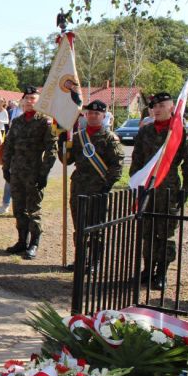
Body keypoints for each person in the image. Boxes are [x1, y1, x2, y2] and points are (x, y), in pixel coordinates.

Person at [130, 92, 188, 290]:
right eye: (154, 107)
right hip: (148, 188)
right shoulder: (145, 131)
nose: (157, 110)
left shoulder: (179, 132)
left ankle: (162, 272)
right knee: (147, 232)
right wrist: (136, 184)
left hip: (169, 190)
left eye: (161, 106)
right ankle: (147, 269)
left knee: (165, 232)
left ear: (171, 107)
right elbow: (137, 160)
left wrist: (186, 189)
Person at [59, 100, 124, 271]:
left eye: (97, 113)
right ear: (86, 115)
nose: (93, 116)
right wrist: (62, 143)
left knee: (96, 227)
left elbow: (117, 165)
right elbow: (67, 161)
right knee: (79, 225)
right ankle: (80, 259)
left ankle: (95, 261)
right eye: (90, 113)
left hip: (98, 188)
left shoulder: (110, 138)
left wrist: (106, 186)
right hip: (79, 187)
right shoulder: (78, 137)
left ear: (103, 116)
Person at [1, 86, 57, 260]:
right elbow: (9, 145)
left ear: (39, 102)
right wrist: (5, 167)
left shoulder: (45, 122)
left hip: (34, 172)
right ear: (22, 101)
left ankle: (34, 243)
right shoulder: (17, 121)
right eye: (27, 98)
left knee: (34, 210)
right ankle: (21, 241)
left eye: (33, 99)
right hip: (17, 171)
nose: (29, 101)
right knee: (19, 208)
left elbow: (51, 150)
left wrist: (44, 173)